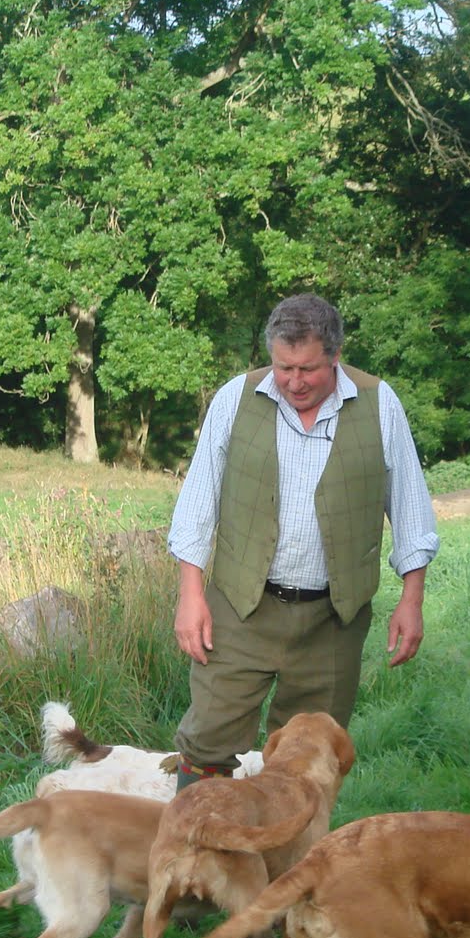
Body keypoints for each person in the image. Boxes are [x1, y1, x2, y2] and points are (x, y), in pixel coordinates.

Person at [166, 293, 439, 789]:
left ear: (335, 355)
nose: (294, 381)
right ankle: (192, 857)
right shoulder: (236, 398)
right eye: (283, 367)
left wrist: (411, 601)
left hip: (333, 620)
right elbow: (196, 504)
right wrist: (190, 597)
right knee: (206, 741)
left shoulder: (379, 403)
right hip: (240, 608)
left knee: (308, 758)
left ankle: (288, 864)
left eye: (308, 369)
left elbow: (411, 509)